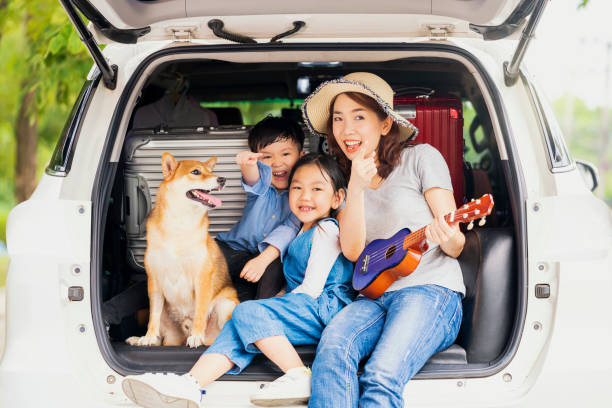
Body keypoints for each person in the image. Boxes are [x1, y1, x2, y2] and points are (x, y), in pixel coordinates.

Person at [122, 153, 355, 408]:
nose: (305, 196)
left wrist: (269, 309)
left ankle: (298, 374)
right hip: (306, 309)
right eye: (297, 188)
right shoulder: (301, 229)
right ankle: (190, 384)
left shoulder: (326, 230)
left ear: (338, 198)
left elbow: (310, 290)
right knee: (239, 325)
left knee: (246, 311)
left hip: (324, 310)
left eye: (317, 189)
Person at [301, 72, 466, 408]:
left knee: (380, 376)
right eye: (338, 119)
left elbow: (456, 243)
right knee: (332, 354)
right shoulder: (347, 180)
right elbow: (352, 252)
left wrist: (445, 234)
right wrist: (358, 187)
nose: (347, 129)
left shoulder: (421, 158)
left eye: (359, 117)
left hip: (431, 291)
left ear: (386, 124)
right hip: (373, 297)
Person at [215, 116, 304, 301]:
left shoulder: (303, 196)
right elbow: (252, 178)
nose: (277, 162)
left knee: (271, 271)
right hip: (231, 250)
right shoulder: (262, 188)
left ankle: (256, 311)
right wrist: (247, 165)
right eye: (267, 157)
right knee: (201, 260)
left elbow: (289, 229)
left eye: (285, 154)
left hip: (264, 259)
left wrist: (262, 260)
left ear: (301, 156)